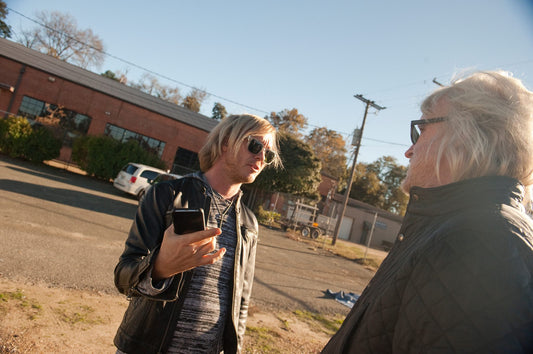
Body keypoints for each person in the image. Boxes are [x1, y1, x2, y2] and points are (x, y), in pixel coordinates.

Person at [322, 71, 533, 353]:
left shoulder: (478, 239)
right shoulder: (451, 226)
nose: (409, 151)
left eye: (420, 130)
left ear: (466, 135)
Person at [113, 114, 281, 354]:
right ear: (225, 143)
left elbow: (241, 301)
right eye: (255, 145)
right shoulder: (166, 195)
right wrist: (159, 268)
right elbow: (123, 276)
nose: (261, 157)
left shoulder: (249, 223)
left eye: (269, 154)